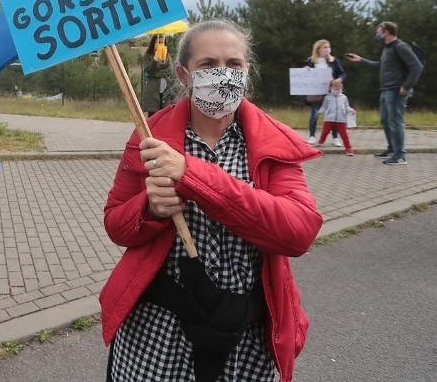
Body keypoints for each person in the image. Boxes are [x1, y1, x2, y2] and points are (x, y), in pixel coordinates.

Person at [101, 20, 323, 382]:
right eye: (208, 65)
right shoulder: (150, 135)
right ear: (183, 75)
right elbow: (116, 224)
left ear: (246, 72)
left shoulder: (271, 142)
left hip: (245, 337)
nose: (223, 74)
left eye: (234, 64)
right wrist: (150, 209)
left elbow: (298, 232)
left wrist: (191, 174)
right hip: (158, 333)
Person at [345, 21, 422, 165]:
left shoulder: (401, 47)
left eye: (379, 31)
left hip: (396, 90)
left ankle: (400, 155)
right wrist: (361, 60)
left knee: (395, 122)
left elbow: (417, 67)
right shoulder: (388, 48)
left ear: (386, 32)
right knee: (386, 121)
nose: (377, 34)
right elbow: (380, 65)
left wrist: (406, 87)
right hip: (386, 89)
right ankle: (392, 149)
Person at [302, 39, 347, 146]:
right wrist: (305, 69)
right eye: (325, 47)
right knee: (315, 113)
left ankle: (335, 137)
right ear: (318, 49)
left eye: (329, 47)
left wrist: (339, 79)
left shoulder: (334, 61)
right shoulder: (310, 61)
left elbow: (342, 73)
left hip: (331, 92)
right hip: (316, 92)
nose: (328, 49)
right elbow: (303, 74)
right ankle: (312, 136)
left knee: (333, 115)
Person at [315, 78, 356, 156]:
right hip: (329, 118)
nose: (336, 87)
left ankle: (348, 148)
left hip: (341, 119)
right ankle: (321, 141)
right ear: (331, 87)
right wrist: (319, 112)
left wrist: (351, 110)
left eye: (338, 85)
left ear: (341, 86)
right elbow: (324, 107)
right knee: (325, 131)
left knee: (344, 135)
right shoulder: (327, 97)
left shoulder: (344, 97)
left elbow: (347, 107)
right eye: (334, 85)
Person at [141, 34, 173, 117]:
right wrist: (155, 59)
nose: (160, 45)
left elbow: (169, 71)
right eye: (158, 42)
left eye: (162, 43)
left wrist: (156, 74)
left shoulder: (167, 56)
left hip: (165, 91)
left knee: (164, 115)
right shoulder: (147, 56)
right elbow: (149, 71)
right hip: (152, 91)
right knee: (153, 116)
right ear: (153, 43)